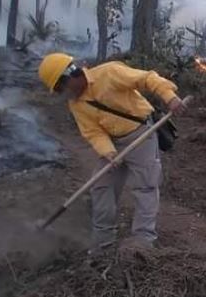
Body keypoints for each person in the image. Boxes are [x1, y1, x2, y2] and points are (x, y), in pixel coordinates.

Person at [38, 53, 186, 252]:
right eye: (57, 91)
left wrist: (170, 98)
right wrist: (108, 152)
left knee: (145, 187)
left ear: (71, 75)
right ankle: (103, 242)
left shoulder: (109, 73)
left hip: (141, 134)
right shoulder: (76, 104)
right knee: (101, 186)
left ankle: (143, 242)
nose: (62, 94)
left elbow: (147, 78)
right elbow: (92, 131)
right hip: (114, 143)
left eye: (60, 88)